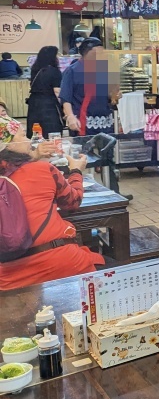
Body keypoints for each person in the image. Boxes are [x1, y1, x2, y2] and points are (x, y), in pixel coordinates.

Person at [0, 115, 103, 291]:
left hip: (7, 278)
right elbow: (72, 201)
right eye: (23, 136)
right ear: (9, 145)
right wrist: (76, 170)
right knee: (104, 266)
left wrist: (34, 155)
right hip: (60, 262)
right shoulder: (41, 169)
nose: (28, 142)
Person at [60, 37, 116, 136]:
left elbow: (109, 96)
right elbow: (65, 97)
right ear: (87, 53)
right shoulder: (72, 70)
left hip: (105, 122)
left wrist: (114, 96)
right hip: (82, 122)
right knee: (83, 151)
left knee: (106, 150)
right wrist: (70, 116)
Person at [26, 46, 64, 138]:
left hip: (34, 103)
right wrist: (64, 108)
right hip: (49, 105)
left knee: (36, 131)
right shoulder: (54, 71)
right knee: (51, 131)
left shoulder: (35, 70)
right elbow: (57, 92)